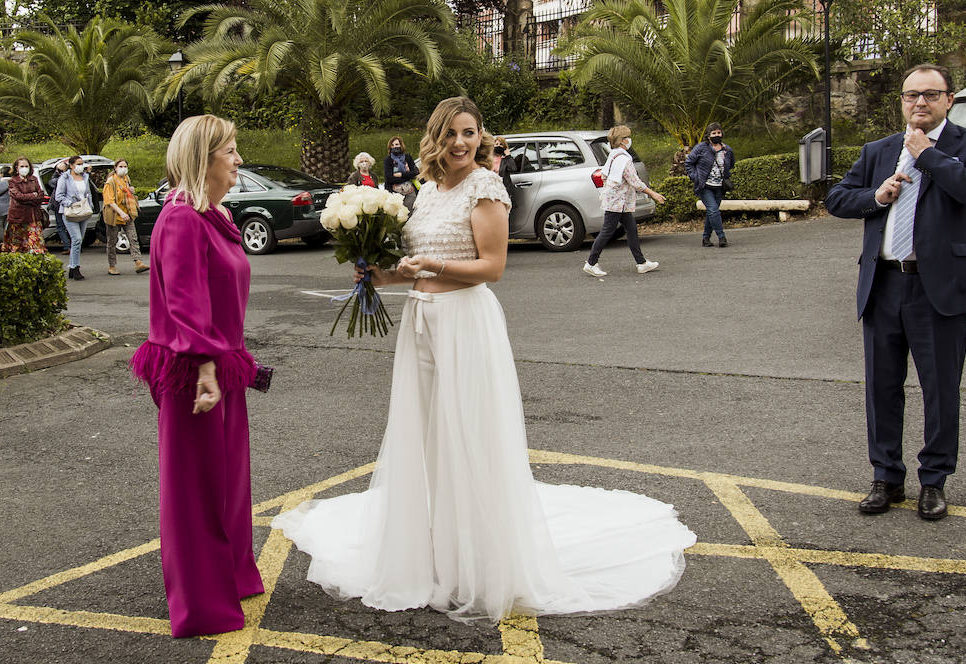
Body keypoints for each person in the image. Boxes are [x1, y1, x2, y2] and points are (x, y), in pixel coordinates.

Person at [273, 96, 695, 624]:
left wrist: (434, 264)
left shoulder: (486, 188)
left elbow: (493, 267)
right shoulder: (426, 193)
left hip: (465, 324)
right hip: (421, 324)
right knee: (427, 436)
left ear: (481, 137)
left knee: (469, 437)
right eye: (451, 133)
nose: (460, 143)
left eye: (470, 133)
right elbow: (414, 268)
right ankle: (435, 555)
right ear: (435, 137)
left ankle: (480, 566)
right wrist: (379, 276)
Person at [823, 64, 966, 522]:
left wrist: (927, 155)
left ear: (949, 99)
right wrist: (875, 197)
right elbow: (838, 198)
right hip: (883, 283)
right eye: (910, 95)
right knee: (882, 387)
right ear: (901, 101)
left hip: (937, 287)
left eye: (930, 94)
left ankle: (934, 481)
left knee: (940, 389)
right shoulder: (878, 150)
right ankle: (886, 477)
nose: (919, 102)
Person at [129, 115, 263, 638]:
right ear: (203, 159)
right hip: (193, 370)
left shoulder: (213, 215)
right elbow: (185, 302)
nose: (238, 161)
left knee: (228, 481)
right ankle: (201, 604)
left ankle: (231, 575)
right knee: (196, 489)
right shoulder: (182, 218)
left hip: (219, 363)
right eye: (230, 151)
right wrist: (206, 366)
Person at [582, 125, 665, 277]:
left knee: (631, 229)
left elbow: (604, 175)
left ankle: (641, 263)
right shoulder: (624, 159)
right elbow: (635, 181)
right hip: (617, 202)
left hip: (619, 202)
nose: (629, 140)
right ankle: (591, 263)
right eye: (627, 137)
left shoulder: (613, 155)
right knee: (607, 231)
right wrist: (653, 194)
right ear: (622, 141)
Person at [685, 122, 735, 247]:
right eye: (713, 133)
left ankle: (706, 238)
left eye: (718, 132)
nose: (716, 135)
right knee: (713, 210)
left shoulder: (727, 150)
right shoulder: (701, 148)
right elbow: (689, 163)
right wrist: (695, 176)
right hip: (705, 186)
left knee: (712, 212)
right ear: (708, 135)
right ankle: (722, 237)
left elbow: (731, 164)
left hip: (719, 186)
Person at [103, 158, 148, 275]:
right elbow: (110, 201)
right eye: (121, 167)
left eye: (125, 167)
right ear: (115, 168)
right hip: (114, 215)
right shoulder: (110, 182)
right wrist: (121, 213)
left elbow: (127, 193)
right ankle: (112, 266)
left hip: (128, 214)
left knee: (133, 238)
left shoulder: (126, 179)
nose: (123, 169)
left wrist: (130, 190)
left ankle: (138, 262)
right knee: (112, 241)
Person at [53, 155, 94, 280]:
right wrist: (70, 203)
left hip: (84, 211)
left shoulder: (85, 177)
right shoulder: (64, 178)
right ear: (71, 165)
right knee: (76, 239)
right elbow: (59, 196)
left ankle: (72, 267)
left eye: (82, 163)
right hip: (71, 212)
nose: (80, 166)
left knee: (79, 240)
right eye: (78, 163)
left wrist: (90, 205)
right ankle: (75, 267)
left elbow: (88, 193)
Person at [1, 156, 47, 254]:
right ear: (16, 168)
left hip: (34, 216)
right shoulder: (13, 181)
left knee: (37, 244)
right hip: (18, 217)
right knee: (17, 245)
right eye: (22, 166)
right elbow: (18, 196)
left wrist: (28, 198)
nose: (24, 168)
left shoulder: (34, 179)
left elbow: (40, 196)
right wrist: (32, 196)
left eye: (26, 166)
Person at [383, 135, 420, 208]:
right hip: (394, 193)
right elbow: (389, 178)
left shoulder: (408, 157)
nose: (394, 147)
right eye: (392, 145)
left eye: (396, 144)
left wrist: (401, 175)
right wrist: (408, 175)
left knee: (410, 212)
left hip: (410, 191)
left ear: (401, 145)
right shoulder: (388, 160)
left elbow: (415, 172)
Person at [50, 157, 71, 252]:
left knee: (61, 226)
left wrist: (57, 171)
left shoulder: (63, 179)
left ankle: (68, 247)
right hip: (69, 205)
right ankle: (74, 246)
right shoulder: (74, 177)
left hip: (61, 205)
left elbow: (52, 182)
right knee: (71, 226)